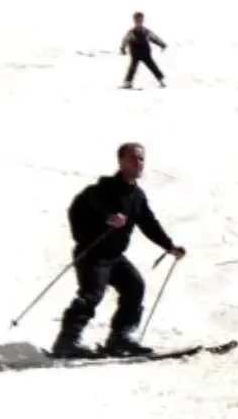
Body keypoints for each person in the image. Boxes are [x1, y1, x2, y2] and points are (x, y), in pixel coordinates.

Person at [51, 143, 187, 359]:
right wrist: (106, 219)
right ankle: (66, 342)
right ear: (121, 162)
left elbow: (148, 223)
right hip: (92, 254)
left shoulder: (137, 195)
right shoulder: (101, 190)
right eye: (133, 159)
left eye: (141, 159)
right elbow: (77, 211)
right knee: (91, 295)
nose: (138, 163)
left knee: (135, 286)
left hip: (114, 256)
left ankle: (119, 338)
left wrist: (169, 246)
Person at [120, 12, 167, 89]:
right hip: (135, 54)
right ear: (134, 21)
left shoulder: (146, 31)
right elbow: (125, 40)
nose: (139, 22)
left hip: (145, 53)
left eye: (140, 20)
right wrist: (122, 48)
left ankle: (161, 80)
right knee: (132, 68)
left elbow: (154, 38)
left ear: (142, 20)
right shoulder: (131, 32)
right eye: (137, 20)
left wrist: (162, 44)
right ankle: (128, 82)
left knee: (152, 66)